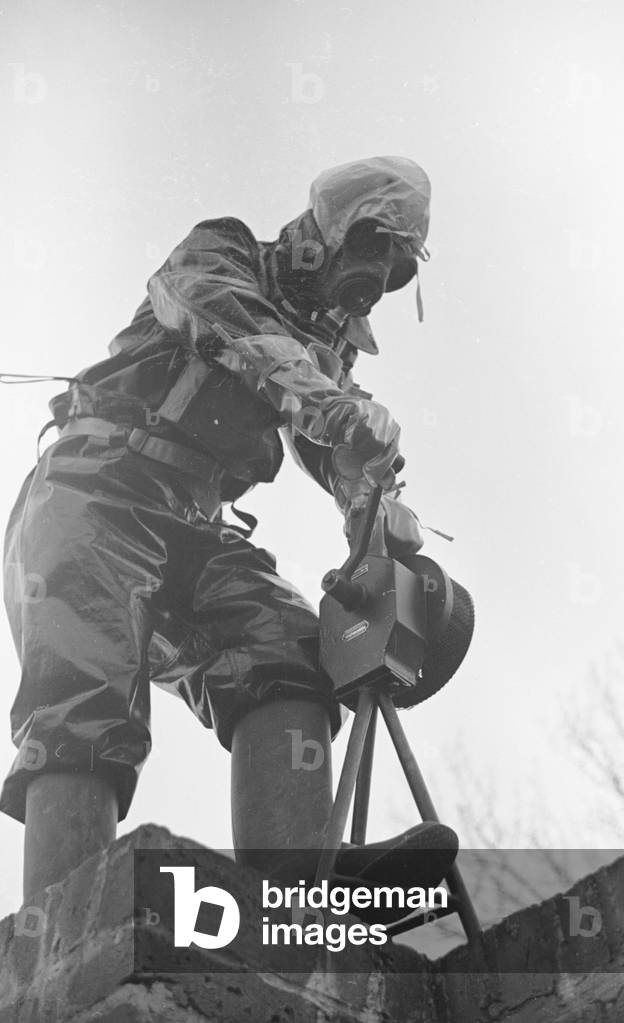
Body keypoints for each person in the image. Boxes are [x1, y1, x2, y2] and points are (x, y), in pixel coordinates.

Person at [1, 155, 458, 903]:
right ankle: (65, 922)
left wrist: (372, 504)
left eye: (394, 267)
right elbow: (223, 315)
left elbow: (335, 446)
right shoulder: (225, 253)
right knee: (85, 695)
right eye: (372, 246)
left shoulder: (325, 356)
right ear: (325, 230)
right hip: (96, 492)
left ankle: (295, 882)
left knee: (289, 648)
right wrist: (328, 400)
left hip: (195, 522)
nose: (376, 275)